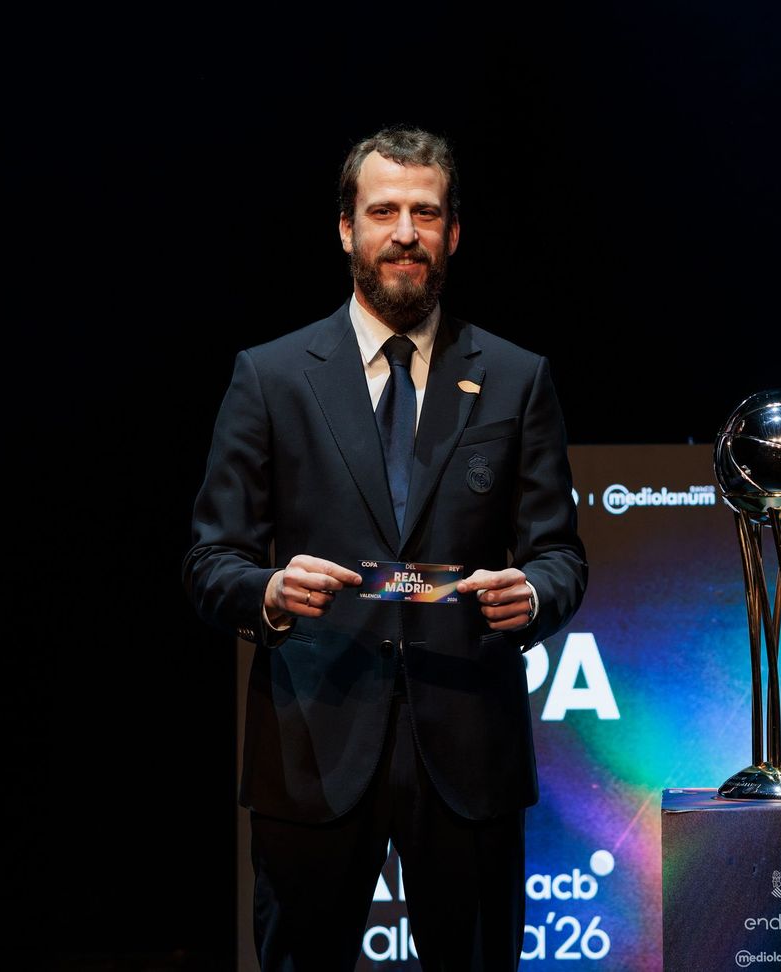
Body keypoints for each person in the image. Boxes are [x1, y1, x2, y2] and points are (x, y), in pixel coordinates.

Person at [184, 126, 587, 971]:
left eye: (426, 212)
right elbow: (210, 562)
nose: (405, 231)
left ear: (453, 234)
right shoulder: (271, 376)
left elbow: (559, 554)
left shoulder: (517, 377)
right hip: (314, 749)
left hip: (470, 753)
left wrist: (537, 595)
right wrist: (269, 591)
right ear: (346, 229)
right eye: (384, 211)